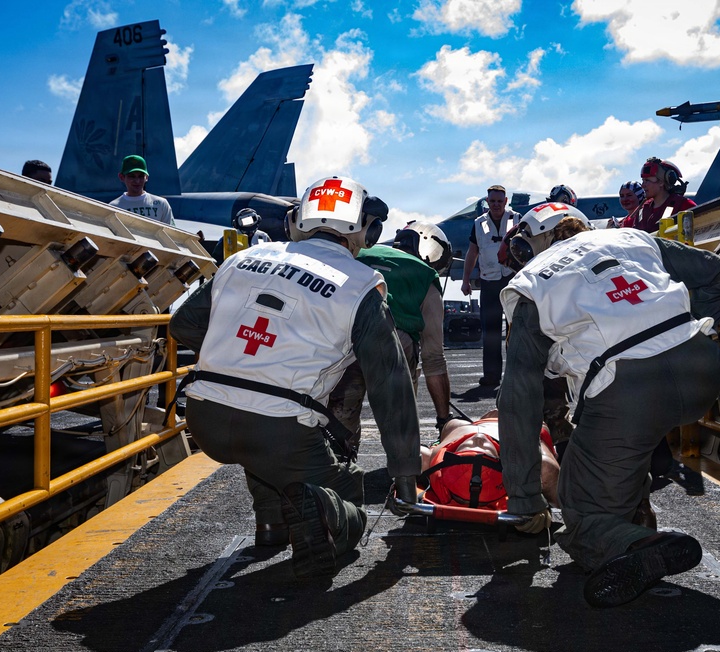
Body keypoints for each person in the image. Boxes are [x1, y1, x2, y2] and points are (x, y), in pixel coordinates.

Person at [169, 176, 421, 577]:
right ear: (366, 232)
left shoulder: (242, 260)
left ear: (294, 221)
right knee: (344, 491)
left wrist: (237, 354)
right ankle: (324, 519)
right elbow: (391, 385)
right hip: (280, 430)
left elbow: (183, 324)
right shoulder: (361, 285)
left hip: (204, 418)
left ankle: (271, 526)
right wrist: (405, 475)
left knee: (265, 441)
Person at [496, 203, 720, 607]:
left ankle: (642, 544)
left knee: (583, 514)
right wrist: (692, 327)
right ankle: (634, 513)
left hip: (627, 392)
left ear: (534, 242)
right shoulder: (632, 239)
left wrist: (523, 497)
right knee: (626, 445)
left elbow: (518, 399)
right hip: (701, 369)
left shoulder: (533, 284)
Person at [329, 221, 453, 452]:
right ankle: (404, 470)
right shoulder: (425, 274)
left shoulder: (356, 253)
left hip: (344, 340)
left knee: (339, 424)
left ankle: (339, 465)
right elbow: (434, 357)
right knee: (401, 423)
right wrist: (443, 419)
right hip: (394, 343)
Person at [419, 409, 560, 510]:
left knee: (455, 424)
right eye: (482, 447)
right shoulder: (529, 458)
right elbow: (548, 473)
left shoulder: (435, 465)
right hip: (515, 432)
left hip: (468, 434)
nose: (478, 440)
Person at [460, 185, 520, 387]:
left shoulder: (517, 220)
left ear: (506, 201)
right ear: (487, 202)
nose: (495, 205)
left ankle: (517, 374)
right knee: (491, 332)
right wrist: (466, 279)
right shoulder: (479, 224)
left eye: (499, 201)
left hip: (512, 281)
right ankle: (492, 376)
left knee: (517, 330)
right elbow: (472, 252)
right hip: (489, 282)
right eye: (492, 201)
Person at [620, 158, 695, 233]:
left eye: (647, 181)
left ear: (661, 182)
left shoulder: (683, 205)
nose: (643, 185)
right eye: (643, 180)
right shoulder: (642, 209)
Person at [110, 155, 174, 225]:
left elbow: (171, 233)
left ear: (146, 177)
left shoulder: (161, 204)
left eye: (141, 176)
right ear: (122, 177)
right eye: (132, 176)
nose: (137, 181)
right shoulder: (113, 207)